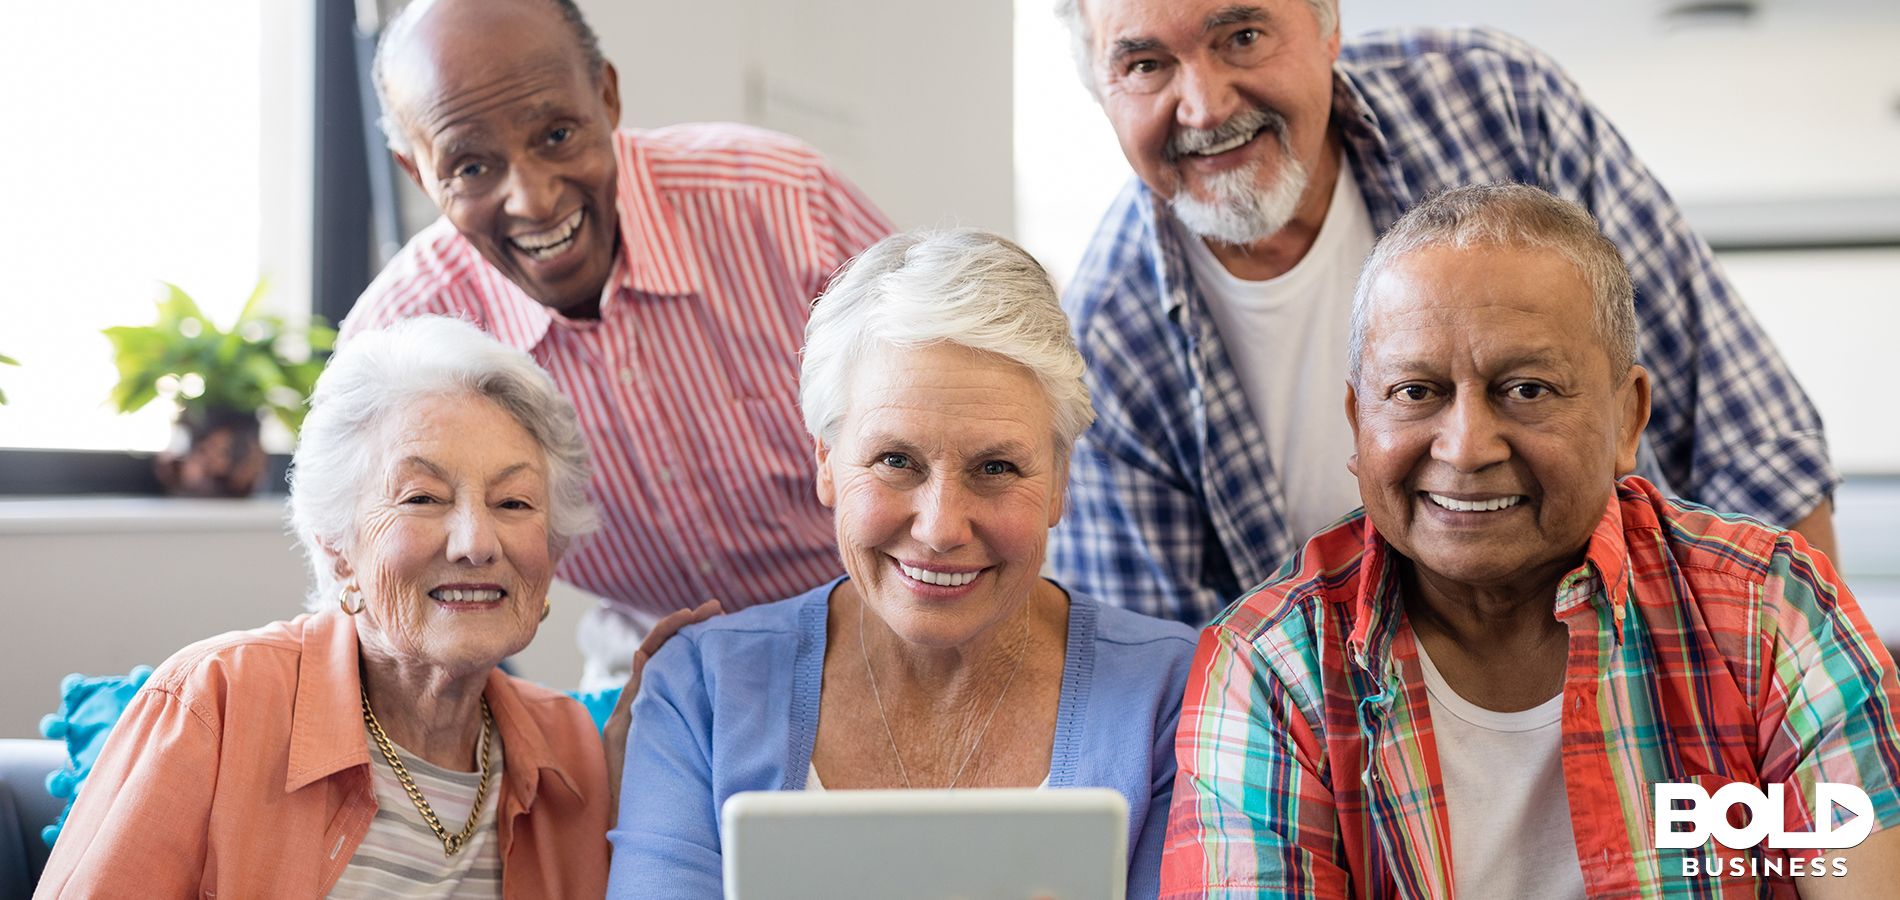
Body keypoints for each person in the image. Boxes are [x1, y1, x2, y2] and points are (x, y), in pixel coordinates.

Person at [1160, 184, 1900, 898]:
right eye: (1417, 392)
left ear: (1628, 418)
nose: (1467, 446)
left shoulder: (1768, 607)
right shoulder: (1271, 668)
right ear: (1359, 423)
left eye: (1528, 389)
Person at [1046, 0, 1838, 625]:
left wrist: (1813, 731)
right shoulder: (1108, 344)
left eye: (1243, 35)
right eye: (1146, 64)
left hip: (1667, 701)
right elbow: (1187, 689)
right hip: (1378, 778)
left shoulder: (1500, 105)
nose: (1205, 106)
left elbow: (1753, 446)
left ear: (1329, 27)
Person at [608, 230, 1198, 898]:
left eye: (996, 467)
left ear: (1060, 480)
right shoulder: (702, 691)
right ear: (826, 461)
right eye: (896, 461)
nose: (941, 527)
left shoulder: (1175, 694)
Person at [344, 0, 894, 684]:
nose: (535, 200)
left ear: (606, 95)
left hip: (889, 625)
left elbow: (962, 418)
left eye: (557, 135)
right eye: (473, 168)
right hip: (654, 662)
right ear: (418, 172)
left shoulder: (787, 204)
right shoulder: (400, 337)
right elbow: (374, 599)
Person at [35, 317, 625, 897]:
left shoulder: (573, 752)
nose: (476, 542)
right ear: (336, 545)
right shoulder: (213, 703)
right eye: (422, 497)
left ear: (551, 551)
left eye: (515, 503)